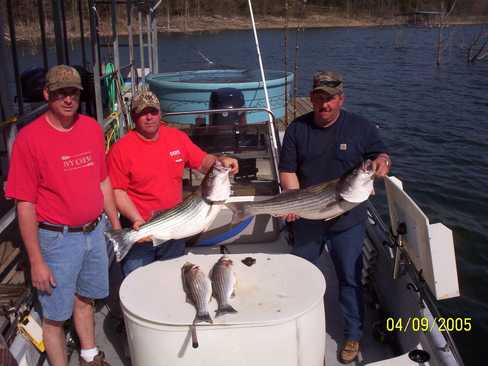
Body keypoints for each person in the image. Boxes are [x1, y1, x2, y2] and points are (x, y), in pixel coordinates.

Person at [5, 65, 121, 366]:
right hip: (57, 240)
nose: (67, 99)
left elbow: (103, 180)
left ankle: (89, 355)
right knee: (55, 316)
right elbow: (25, 205)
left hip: (95, 233)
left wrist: (117, 226)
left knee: (85, 300)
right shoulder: (29, 140)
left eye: (73, 92)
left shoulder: (92, 128)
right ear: (47, 94)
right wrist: (36, 261)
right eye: (60, 93)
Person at [278, 71, 391, 364]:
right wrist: (293, 201)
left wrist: (381, 162)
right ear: (312, 98)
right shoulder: (297, 130)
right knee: (301, 273)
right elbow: (288, 171)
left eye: (330, 98)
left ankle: (353, 334)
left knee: (350, 278)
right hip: (307, 217)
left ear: (341, 98)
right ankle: (295, 323)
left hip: (349, 220)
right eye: (319, 98)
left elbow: (380, 154)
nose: (324, 104)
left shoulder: (360, 127)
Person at [107, 90, 238, 277]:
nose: (149, 117)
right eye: (143, 113)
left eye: (153, 111)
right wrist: (137, 220)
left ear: (160, 113)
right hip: (140, 231)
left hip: (176, 228)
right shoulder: (120, 149)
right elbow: (117, 192)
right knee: (139, 286)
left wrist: (221, 161)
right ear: (134, 115)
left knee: (172, 281)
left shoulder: (177, 138)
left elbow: (203, 162)